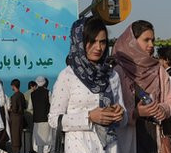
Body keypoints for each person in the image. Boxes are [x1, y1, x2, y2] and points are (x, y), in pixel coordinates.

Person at [48, 16, 126, 153]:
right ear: (79, 42)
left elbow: (123, 120)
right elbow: (54, 120)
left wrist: (120, 114)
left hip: (110, 147)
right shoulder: (67, 76)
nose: (98, 48)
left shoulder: (112, 75)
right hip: (79, 146)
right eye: (92, 41)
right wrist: (89, 117)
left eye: (102, 42)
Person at [112, 20, 171, 153]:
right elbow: (112, 109)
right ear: (132, 42)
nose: (151, 45)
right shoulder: (118, 72)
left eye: (152, 40)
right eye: (146, 40)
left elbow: (170, 100)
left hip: (153, 137)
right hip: (126, 138)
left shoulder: (158, 70)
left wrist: (162, 109)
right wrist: (136, 113)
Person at [31, 76, 52, 153]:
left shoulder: (32, 94)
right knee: (47, 141)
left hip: (36, 121)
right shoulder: (48, 92)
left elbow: (30, 107)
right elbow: (52, 105)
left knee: (38, 142)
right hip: (46, 120)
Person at [8, 79, 27, 153]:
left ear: (13, 86)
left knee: (15, 138)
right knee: (19, 137)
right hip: (21, 118)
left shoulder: (14, 96)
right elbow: (25, 106)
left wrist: (9, 109)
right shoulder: (22, 95)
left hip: (15, 119)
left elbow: (14, 109)